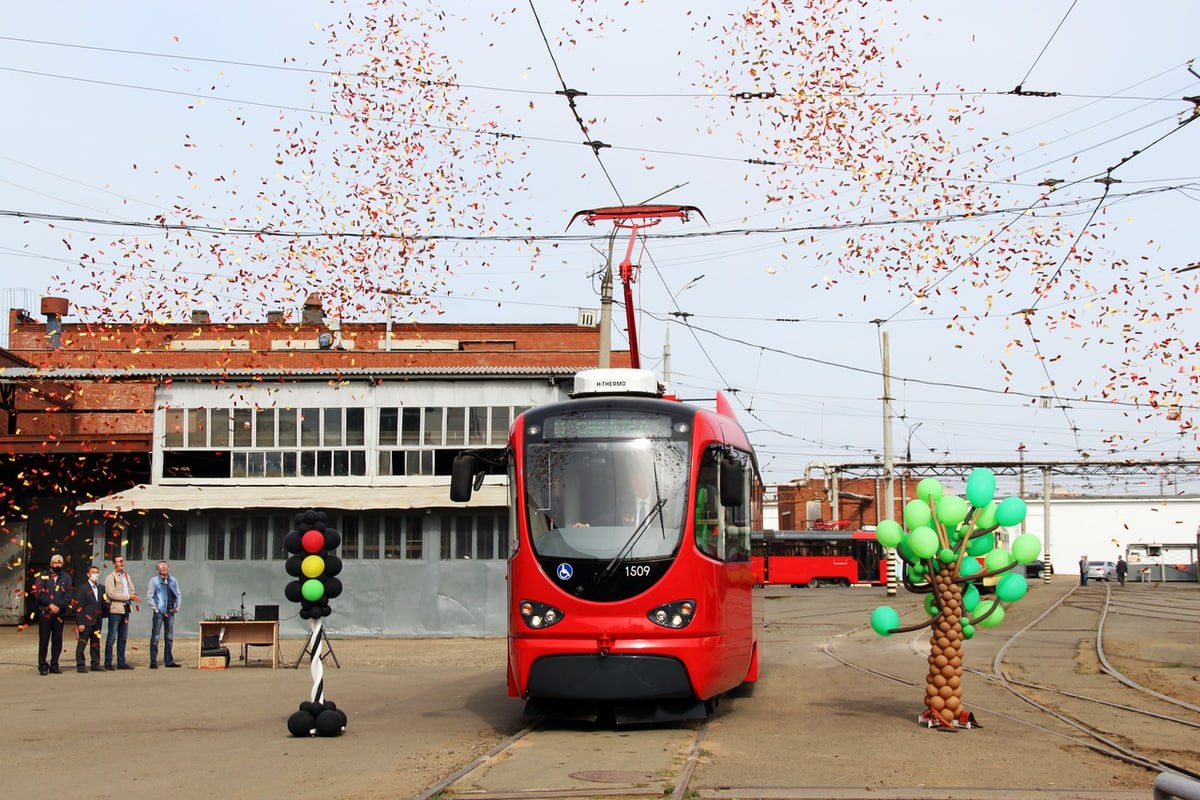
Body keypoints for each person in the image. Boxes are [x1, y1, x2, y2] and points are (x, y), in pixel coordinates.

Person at [33, 554, 74, 675]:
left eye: (59, 563)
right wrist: (50, 604)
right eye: (55, 563)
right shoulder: (43, 576)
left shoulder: (66, 577)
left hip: (59, 614)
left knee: (57, 640)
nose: (57, 565)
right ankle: (42, 666)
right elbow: (39, 593)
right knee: (44, 640)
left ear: (62, 564)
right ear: (51, 564)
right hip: (45, 612)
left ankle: (54, 665)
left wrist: (59, 606)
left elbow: (68, 594)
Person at [103, 556, 140, 670]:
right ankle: (108, 662)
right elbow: (111, 594)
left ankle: (121, 662)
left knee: (123, 637)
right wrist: (128, 596)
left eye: (123, 561)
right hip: (115, 610)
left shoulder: (126, 576)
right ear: (114, 563)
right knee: (112, 636)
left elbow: (131, 588)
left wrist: (132, 595)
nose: (122, 563)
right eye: (119, 561)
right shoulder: (111, 577)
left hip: (126, 609)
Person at [147, 560, 182, 668]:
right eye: (161, 567)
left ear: (168, 568)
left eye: (165, 567)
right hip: (159, 612)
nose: (164, 569)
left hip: (170, 612)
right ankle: (153, 661)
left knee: (169, 636)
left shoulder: (173, 580)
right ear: (158, 570)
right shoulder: (154, 581)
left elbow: (178, 594)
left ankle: (169, 661)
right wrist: (155, 608)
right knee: (156, 636)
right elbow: (149, 595)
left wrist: (177, 607)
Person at [73, 565, 105, 673]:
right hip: (86, 621)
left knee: (96, 643)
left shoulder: (101, 588)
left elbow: (103, 604)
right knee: (82, 643)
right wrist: (80, 622)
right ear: (88, 574)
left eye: (97, 572)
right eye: (93, 572)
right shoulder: (83, 588)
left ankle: (95, 664)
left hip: (97, 620)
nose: (95, 574)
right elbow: (79, 607)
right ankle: (80, 664)